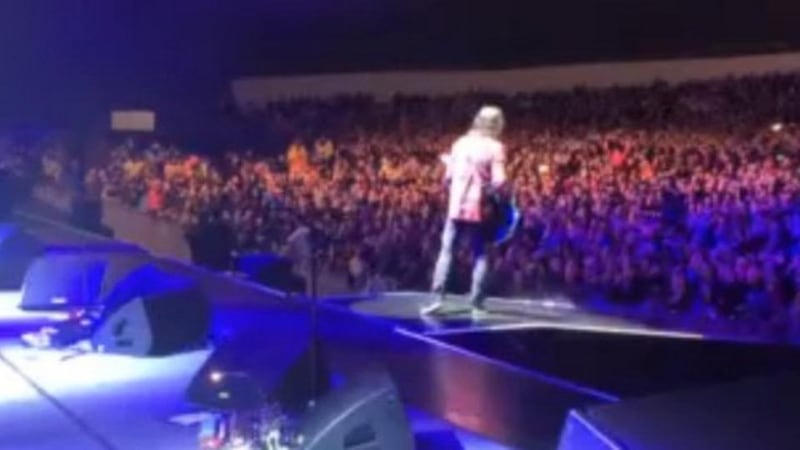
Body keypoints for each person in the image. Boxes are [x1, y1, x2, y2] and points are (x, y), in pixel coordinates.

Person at [421, 105, 508, 319]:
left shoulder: (460, 143)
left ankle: (436, 299)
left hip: (456, 205)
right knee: (480, 254)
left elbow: (449, 178)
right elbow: (500, 180)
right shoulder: (496, 147)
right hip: (479, 208)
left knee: (447, 250)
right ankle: (477, 302)